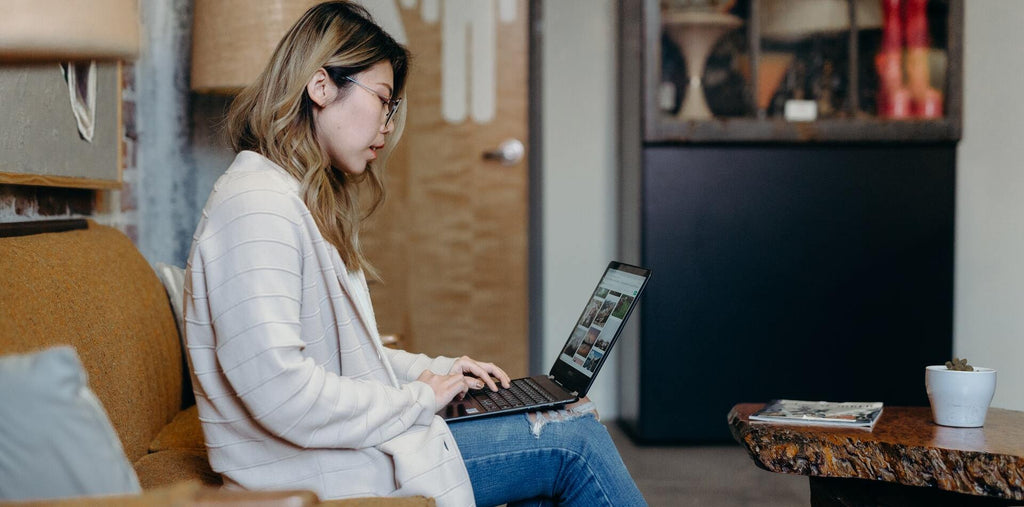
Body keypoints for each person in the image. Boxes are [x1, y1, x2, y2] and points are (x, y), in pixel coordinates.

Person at [183, 2, 645, 506]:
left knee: (560, 420)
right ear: (320, 87)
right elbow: (283, 392)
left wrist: (441, 371)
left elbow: (341, 361)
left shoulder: (286, 199)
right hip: (316, 471)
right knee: (573, 443)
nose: (387, 123)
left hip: (338, 453)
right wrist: (420, 399)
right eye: (383, 99)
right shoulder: (256, 207)